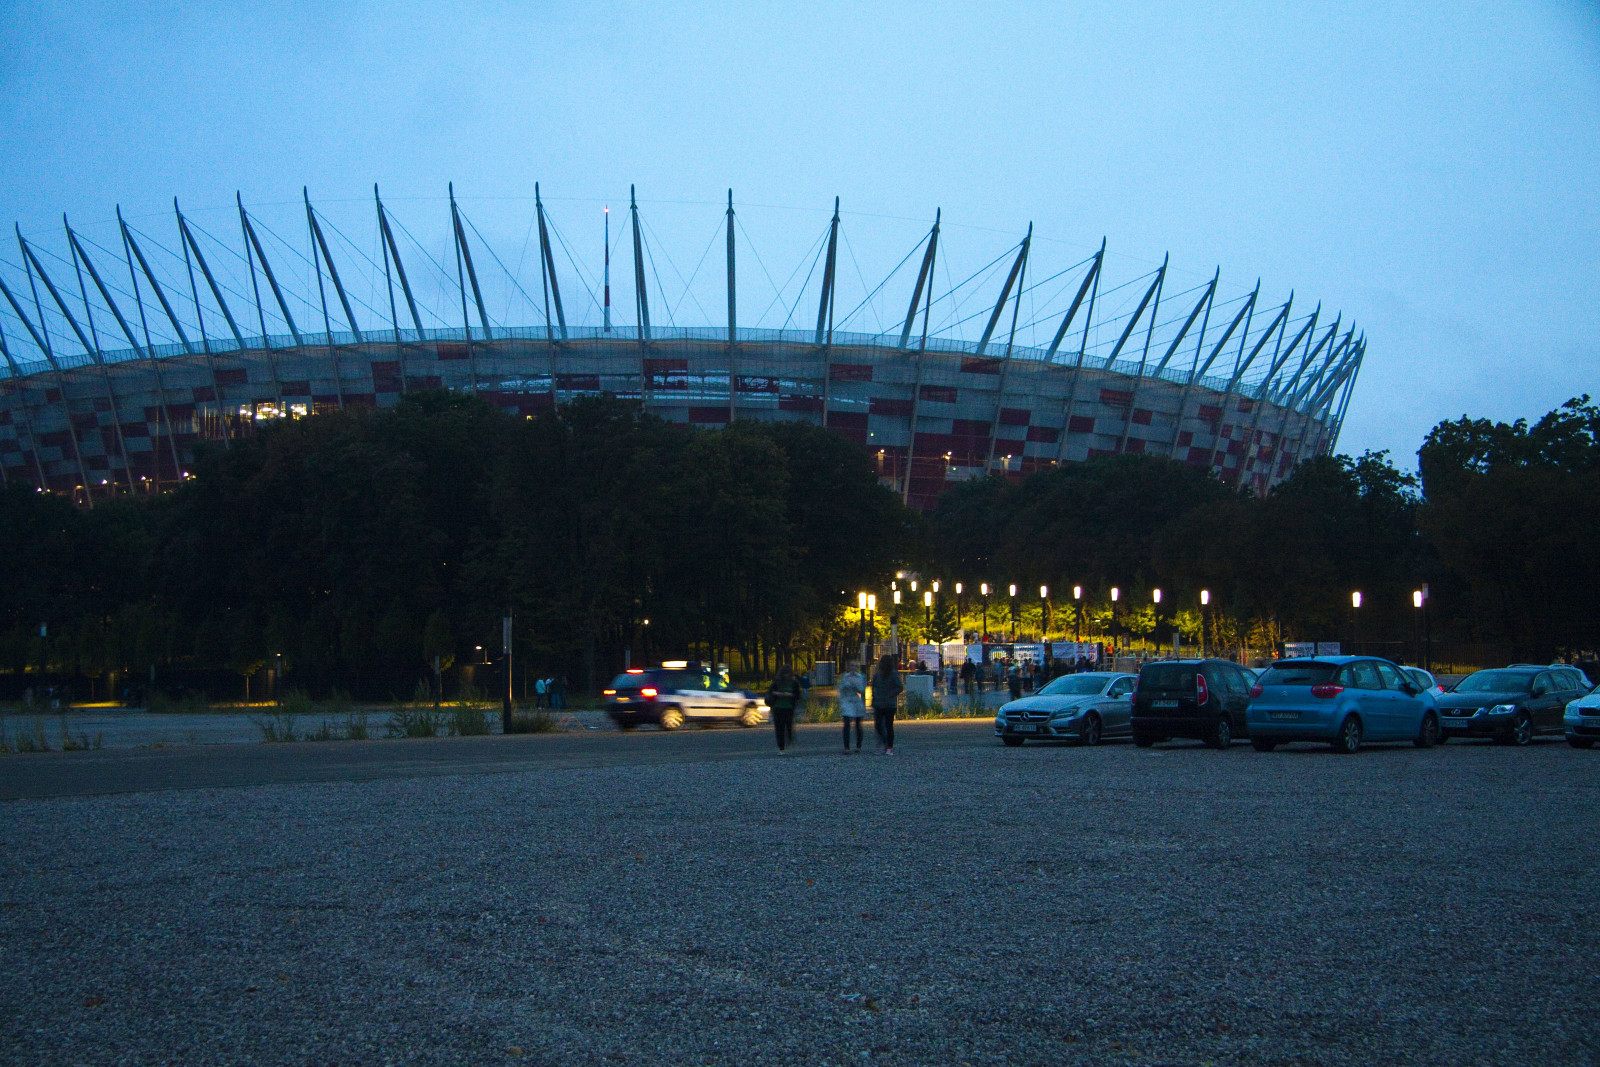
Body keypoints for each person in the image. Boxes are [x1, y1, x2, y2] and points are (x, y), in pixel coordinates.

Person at [870, 654, 903, 755]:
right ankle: (887, 746)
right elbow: (873, 686)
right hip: (881, 703)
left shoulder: (892, 674)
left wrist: (890, 694)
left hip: (888, 704)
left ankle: (888, 746)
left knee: (887, 726)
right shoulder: (878, 674)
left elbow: (899, 687)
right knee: (880, 726)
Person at [766, 665, 801, 753]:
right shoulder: (776, 683)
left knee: (788, 726)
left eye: (787, 673)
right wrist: (778, 694)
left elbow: (797, 695)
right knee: (779, 728)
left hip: (789, 708)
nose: (786, 675)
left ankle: (789, 740)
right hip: (777, 707)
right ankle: (781, 747)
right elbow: (770, 692)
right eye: (784, 673)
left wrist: (790, 695)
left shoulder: (794, 683)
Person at [837, 659, 867, 753]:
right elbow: (840, 689)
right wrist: (841, 701)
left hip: (856, 702)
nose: (853, 668)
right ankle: (846, 747)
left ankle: (858, 746)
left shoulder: (860, 677)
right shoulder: (845, 677)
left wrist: (854, 685)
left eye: (855, 666)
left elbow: (862, 690)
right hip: (847, 701)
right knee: (846, 724)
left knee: (858, 725)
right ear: (849, 667)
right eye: (852, 666)